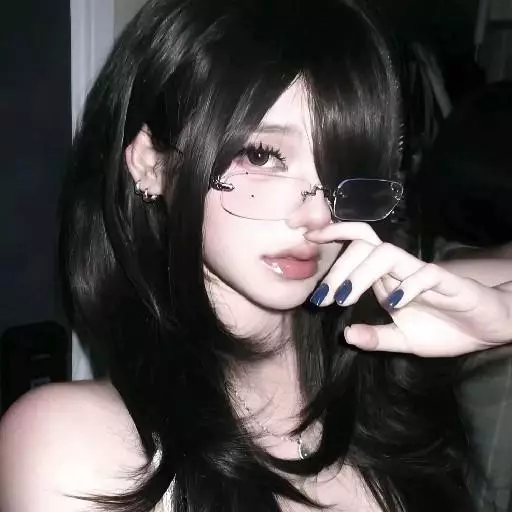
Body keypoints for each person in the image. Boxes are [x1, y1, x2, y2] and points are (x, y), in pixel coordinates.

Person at [0, 1, 511, 511]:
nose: (318, 216)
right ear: (151, 163)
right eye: (262, 156)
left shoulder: (397, 338)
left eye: (343, 168)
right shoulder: (77, 451)